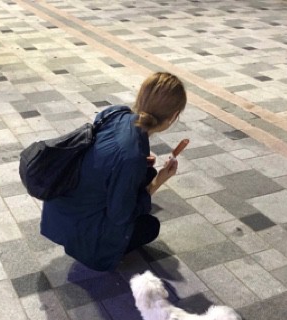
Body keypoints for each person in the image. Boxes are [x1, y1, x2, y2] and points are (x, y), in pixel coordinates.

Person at [40, 72, 187, 271]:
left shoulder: (116, 113)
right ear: (173, 116)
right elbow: (120, 215)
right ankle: (97, 252)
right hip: (83, 234)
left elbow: (103, 155)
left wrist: (139, 165)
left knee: (145, 175)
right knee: (149, 226)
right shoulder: (131, 156)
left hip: (59, 212)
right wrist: (158, 181)